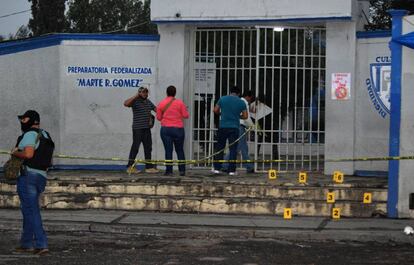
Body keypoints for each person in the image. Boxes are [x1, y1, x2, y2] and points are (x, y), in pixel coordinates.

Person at [12, 110, 54, 256]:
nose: (22, 122)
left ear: (30, 120)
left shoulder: (29, 134)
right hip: (41, 176)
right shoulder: (45, 134)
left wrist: (14, 152)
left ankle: (41, 245)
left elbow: (28, 154)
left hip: (28, 175)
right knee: (28, 210)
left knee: (31, 210)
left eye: (24, 119)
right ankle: (26, 243)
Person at [212, 86, 248, 176]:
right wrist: (237, 116)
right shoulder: (241, 102)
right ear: (239, 94)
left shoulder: (222, 99)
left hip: (223, 126)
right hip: (234, 127)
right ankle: (231, 170)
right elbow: (245, 116)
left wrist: (221, 113)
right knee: (233, 149)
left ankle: (217, 168)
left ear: (230, 91)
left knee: (220, 148)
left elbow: (215, 110)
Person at [124, 86, 159, 174]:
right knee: (135, 147)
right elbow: (126, 103)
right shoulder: (135, 101)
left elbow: (157, 110)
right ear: (139, 93)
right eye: (143, 92)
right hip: (137, 129)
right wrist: (135, 96)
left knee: (148, 148)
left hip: (147, 129)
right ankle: (130, 166)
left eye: (146, 92)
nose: (145, 94)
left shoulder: (148, 102)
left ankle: (149, 167)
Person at [156, 85, 189, 176]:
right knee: (180, 150)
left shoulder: (161, 103)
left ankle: (169, 171)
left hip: (166, 129)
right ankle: (182, 171)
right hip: (178, 129)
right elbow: (186, 115)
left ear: (166, 93)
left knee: (168, 150)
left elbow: (158, 118)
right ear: (175, 93)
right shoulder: (180, 103)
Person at [222, 90, 255, 173]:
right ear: (248, 97)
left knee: (241, 147)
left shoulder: (237, 102)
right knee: (238, 148)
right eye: (250, 99)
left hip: (235, 125)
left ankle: (249, 166)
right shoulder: (244, 103)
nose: (250, 101)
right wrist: (252, 126)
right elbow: (246, 118)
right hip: (240, 127)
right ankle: (225, 165)